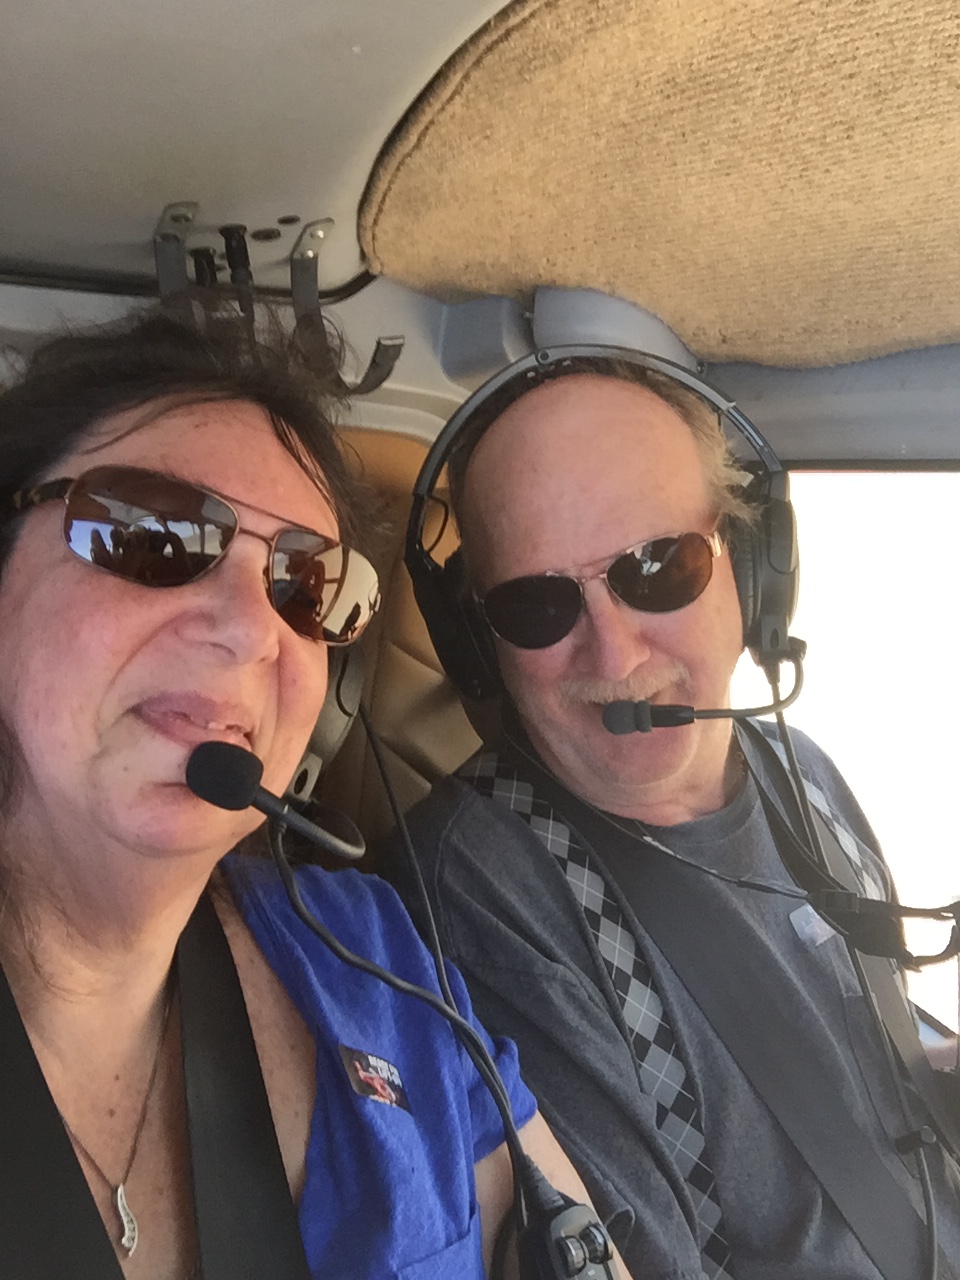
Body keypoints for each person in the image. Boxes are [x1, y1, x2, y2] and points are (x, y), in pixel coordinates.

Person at [0, 305, 607, 1280]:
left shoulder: (369, 947)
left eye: (307, 583)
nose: (253, 629)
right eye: (155, 532)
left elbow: (570, 1243)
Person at [393, 350, 960, 1280]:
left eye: (657, 569)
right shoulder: (481, 891)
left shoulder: (801, 776)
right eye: (537, 605)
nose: (613, 654)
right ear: (479, 648)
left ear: (750, 570)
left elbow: (867, 1083)